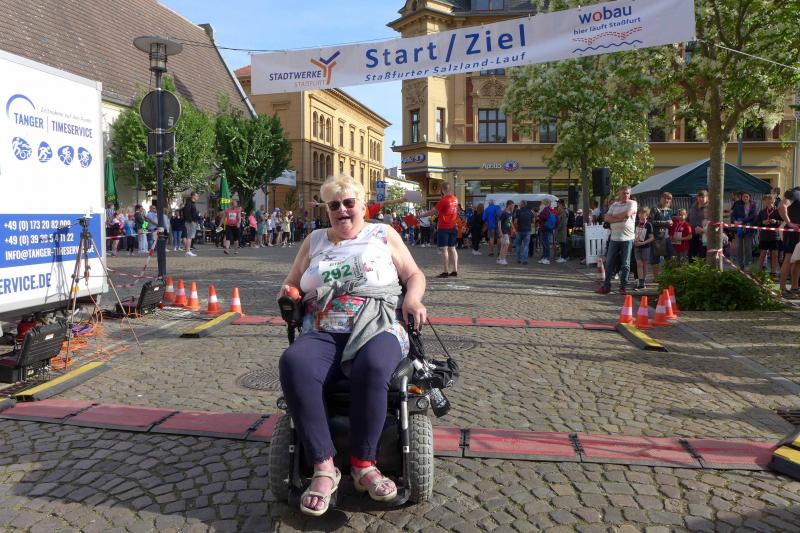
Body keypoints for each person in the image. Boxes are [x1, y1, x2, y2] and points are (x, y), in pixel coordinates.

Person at [277, 174, 427, 516]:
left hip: (379, 324)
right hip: (324, 327)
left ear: (362, 205)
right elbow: (292, 281)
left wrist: (413, 299)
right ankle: (324, 467)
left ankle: (364, 465)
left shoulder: (382, 234)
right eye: (334, 205)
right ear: (327, 210)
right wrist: (290, 293)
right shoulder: (315, 240)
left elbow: (414, 275)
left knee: (372, 365)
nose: (342, 210)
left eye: (348, 203)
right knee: (294, 363)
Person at [596, 186, 637, 295]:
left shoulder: (633, 203)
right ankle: (606, 286)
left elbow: (627, 214)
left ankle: (623, 287)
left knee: (625, 264)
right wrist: (620, 218)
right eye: (623, 193)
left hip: (627, 239)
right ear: (619, 194)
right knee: (609, 262)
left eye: (627, 193)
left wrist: (613, 217)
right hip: (614, 238)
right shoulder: (614, 205)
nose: (626, 195)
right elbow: (606, 218)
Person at [419, 181, 460, 277]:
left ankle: (445, 271)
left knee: (444, 249)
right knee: (452, 248)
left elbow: (432, 212)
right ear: (449, 188)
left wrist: (420, 215)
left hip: (443, 227)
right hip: (453, 226)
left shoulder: (444, 200)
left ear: (442, 189)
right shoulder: (455, 199)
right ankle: (455, 270)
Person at [778, 188, 800, 298]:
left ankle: (794, 287)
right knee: (789, 258)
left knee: (798, 260)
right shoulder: (795, 192)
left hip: (797, 231)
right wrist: (789, 223)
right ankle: (782, 289)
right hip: (793, 231)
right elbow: (782, 207)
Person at [649, 192, 675, 279]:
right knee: (655, 259)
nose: (667, 200)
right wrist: (665, 222)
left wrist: (671, 223)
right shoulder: (654, 208)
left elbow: (669, 223)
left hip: (667, 237)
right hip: (657, 237)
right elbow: (651, 222)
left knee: (670, 258)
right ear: (661, 199)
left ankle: (668, 277)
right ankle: (656, 278)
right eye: (665, 198)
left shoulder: (670, 210)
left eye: (669, 199)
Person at [731, 191, 756, 268]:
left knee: (747, 247)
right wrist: (734, 221)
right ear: (741, 197)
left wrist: (742, 221)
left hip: (749, 228)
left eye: (747, 196)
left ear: (749, 198)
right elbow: (733, 215)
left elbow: (753, 216)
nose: (745, 198)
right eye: (744, 196)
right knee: (739, 247)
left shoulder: (753, 205)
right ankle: (740, 264)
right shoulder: (737, 204)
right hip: (739, 228)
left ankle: (748, 264)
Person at [756, 195, 780, 276]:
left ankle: (773, 273)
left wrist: (776, 221)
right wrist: (762, 222)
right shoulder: (762, 212)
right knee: (763, 253)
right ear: (764, 202)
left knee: (775, 254)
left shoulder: (778, 211)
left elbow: (783, 222)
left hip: (774, 235)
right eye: (766, 200)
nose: (768, 201)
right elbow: (757, 223)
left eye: (770, 199)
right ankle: (759, 272)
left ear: (773, 201)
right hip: (764, 235)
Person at [633, 207, 654, 290]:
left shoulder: (648, 225)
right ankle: (640, 282)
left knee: (644, 264)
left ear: (647, 215)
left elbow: (652, 238)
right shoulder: (636, 223)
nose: (640, 215)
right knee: (639, 263)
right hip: (636, 246)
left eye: (643, 213)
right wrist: (634, 241)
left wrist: (643, 243)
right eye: (639, 213)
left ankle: (643, 281)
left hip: (645, 247)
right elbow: (632, 234)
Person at [687, 190, 707, 258]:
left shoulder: (709, 207)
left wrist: (702, 230)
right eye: (699, 197)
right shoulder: (693, 206)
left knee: (702, 255)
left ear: (707, 198)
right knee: (691, 253)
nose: (701, 199)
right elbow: (688, 218)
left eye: (703, 197)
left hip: (703, 235)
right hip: (692, 233)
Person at [537, 200, 556, 265]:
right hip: (547, 228)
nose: (541, 204)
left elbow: (545, 217)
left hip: (545, 228)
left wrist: (539, 216)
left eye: (542, 203)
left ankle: (546, 258)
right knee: (545, 243)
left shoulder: (545, 209)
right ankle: (544, 257)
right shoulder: (549, 210)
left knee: (546, 243)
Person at [514, 200, 533, 264]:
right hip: (527, 230)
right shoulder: (530, 211)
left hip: (519, 230)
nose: (519, 204)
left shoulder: (518, 211)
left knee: (518, 245)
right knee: (526, 246)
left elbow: (515, 222)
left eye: (520, 203)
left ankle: (519, 259)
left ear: (522, 204)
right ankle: (525, 260)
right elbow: (533, 220)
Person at [497, 200, 514, 265]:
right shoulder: (504, 213)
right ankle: (503, 259)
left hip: (507, 230)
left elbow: (510, 221)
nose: (513, 207)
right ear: (509, 205)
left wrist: (513, 228)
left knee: (503, 245)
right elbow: (499, 222)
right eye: (512, 205)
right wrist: (500, 231)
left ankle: (499, 259)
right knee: (507, 244)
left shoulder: (510, 212)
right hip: (504, 231)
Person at [182, 192, 200, 257]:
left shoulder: (191, 203)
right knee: (189, 237)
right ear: (193, 196)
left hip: (192, 221)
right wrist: (191, 220)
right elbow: (187, 212)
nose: (198, 197)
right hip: (190, 222)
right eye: (197, 196)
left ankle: (188, 251)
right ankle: (188, 251)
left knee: (190, 237)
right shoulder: (189, 203)